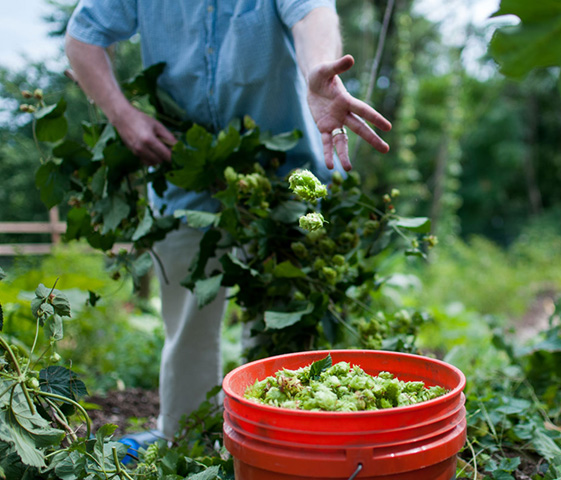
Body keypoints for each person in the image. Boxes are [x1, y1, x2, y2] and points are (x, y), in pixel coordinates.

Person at [65, 0, 392, 439]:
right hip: (183, 168)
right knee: (186, 311)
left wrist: (319, 72)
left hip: (283, 172)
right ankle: (183, 440)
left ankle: (284, 440)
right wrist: (122, 115)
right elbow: (82, 34)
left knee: (287, 317)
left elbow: (313, 12)